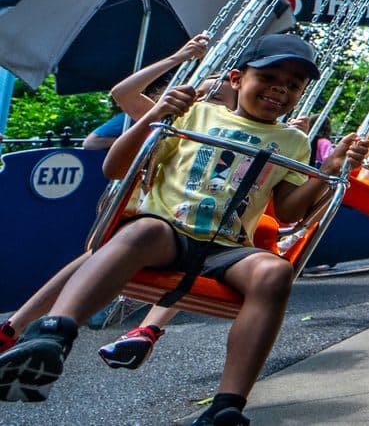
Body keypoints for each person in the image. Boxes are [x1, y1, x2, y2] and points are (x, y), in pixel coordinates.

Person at [0, 34, 369, 424]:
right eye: (269, 76)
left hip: (228, 248)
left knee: (275, 270)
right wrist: (156, 114)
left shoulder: (294, 142)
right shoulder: (194, 115)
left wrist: (329, 172)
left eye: (293, 85)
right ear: (236, 78)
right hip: (169, 232)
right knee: (140, 232)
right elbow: (115, 168)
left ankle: (226, 406)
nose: (280, 88)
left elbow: (290, 211)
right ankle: (53, 336)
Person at [2, 35, 230, 367]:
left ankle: (147, 330)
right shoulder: (172, 122)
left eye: (220, 98)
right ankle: (17, 327)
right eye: (203, 94)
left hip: (194, 222)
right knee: (95, 257)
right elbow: (122, 94)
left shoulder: (237, 141)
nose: (209, 102)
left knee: (198, 257)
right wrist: (177, 58)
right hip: (146, 210)